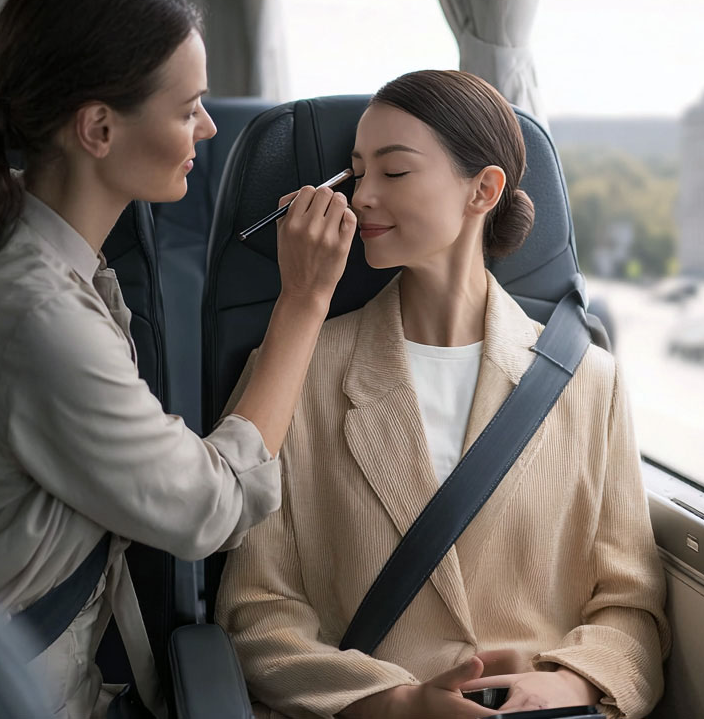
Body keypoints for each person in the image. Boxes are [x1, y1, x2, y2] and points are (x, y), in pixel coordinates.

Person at [0, 0, 356, 719]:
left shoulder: (31, 256)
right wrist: (303, 301)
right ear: (98, 128)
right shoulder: (34, 316)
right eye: (188, 106)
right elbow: (209, 506)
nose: (208, 127)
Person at [216, 71, 670, 719]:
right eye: (354, 173)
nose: (362, 197)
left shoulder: (593, 384)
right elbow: (255, 613)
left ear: (483, 190)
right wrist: (397, 704)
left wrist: (572, 682)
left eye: (394, 173)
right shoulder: (293, 374)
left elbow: (631, 604)